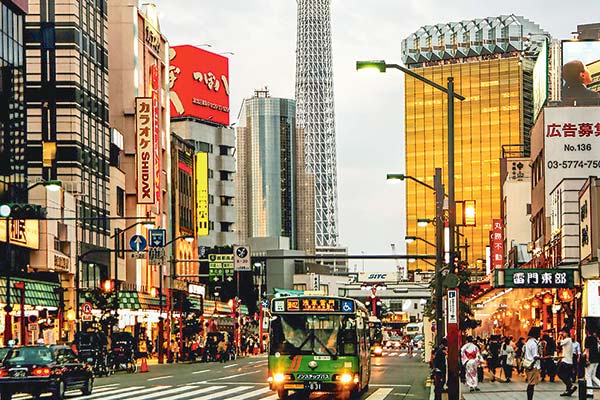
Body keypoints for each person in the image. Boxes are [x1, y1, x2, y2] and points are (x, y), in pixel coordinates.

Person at [524, 327, 542, 400]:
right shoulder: (534, 344)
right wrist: (545, 358)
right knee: (531, 384)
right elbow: (535, 356)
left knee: (530, 383)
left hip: (528, 364)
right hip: (533, 365)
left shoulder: (528, 342)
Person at [558, 327, 577, 396]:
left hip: (566, 361)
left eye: (563, 332)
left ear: (567, 333)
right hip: (569, 361)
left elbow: (558, 343)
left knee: (559, 373)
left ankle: (570, 385)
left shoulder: (568, 340)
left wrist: (560, 336)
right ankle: (568, 391)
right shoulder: (568, 340)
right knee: (567, 376)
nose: (562, 334)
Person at [584, 328, 600, 399]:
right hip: (597, 359)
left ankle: (589, 392)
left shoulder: (587, 339)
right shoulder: (595, 339)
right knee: (593, 376)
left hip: (591, 359)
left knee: (588, 375)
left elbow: (587, 350)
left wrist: (587, 359)